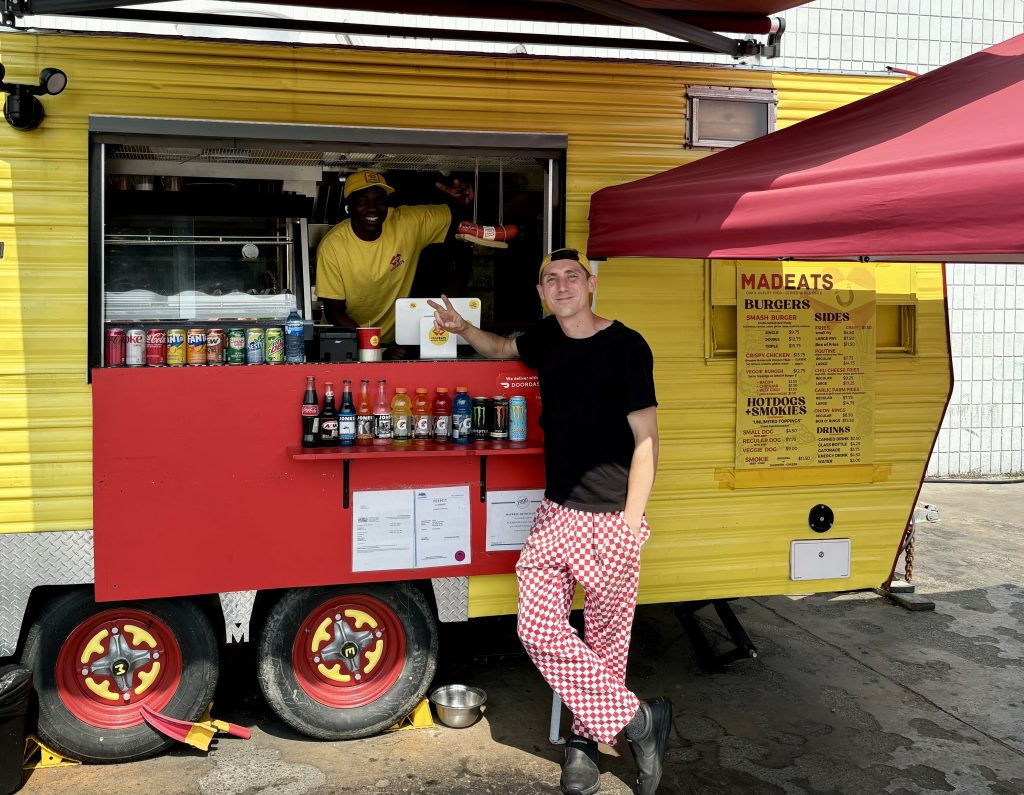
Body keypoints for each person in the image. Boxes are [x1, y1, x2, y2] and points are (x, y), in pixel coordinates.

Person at [428, 249, 671, 795]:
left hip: (611, 517)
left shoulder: (627, 346)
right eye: (550, 280)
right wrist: (463, 326)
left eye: (571, 277)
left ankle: (585, 746)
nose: (561, 286)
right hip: (557, 511)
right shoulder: (546, 337)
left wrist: (630, 525)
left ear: (591, 283)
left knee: (606, 646)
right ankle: (640, 721)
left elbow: (647, 441)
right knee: (536, 627)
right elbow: (502, 347)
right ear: (541, 292)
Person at [316, 169, 474, 347]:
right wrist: (374, 347)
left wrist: (464, 203)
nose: (373, 208)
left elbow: (459, 220)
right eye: (362, 202)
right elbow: (334, 313)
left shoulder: (407, 223)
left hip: (392, 342)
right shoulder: (333, 246)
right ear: (349, 206)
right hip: (343, 340)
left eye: (379, 201)